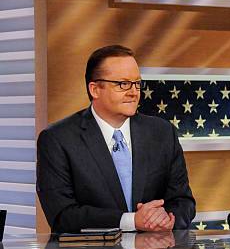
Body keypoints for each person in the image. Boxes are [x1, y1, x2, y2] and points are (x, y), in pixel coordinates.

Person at [37, 45, 196, 233]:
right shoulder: (58, 139)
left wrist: (165, 219)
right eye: (123, 84)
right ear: (95, 89)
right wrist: (131, 221)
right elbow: (63, 215)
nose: (134, 92)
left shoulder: (162, 133)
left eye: (137, 83)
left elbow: (183, 202)